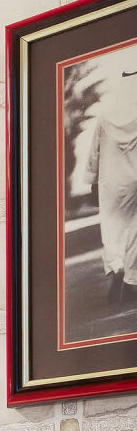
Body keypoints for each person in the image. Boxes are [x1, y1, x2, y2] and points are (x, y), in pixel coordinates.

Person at [74, 47, 137, 304]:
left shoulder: (104, 115)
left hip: (112, 183)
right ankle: (132, 279)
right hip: (135, 180)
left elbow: (94, 153)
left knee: (113, 229)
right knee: (135, 229)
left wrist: (91, 181)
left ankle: (117, 268)